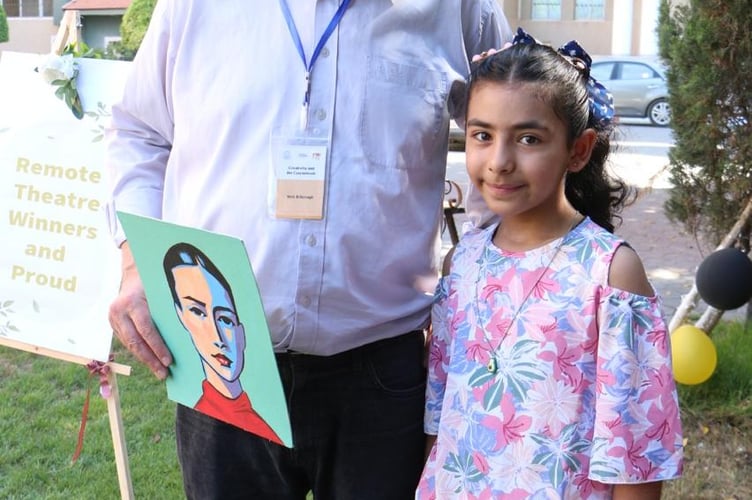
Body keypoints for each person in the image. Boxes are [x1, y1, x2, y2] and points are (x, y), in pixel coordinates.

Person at [104, 0, 512, 498]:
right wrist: (135, 262)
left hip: (384, 370)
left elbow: (513, 116)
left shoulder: (458, 6)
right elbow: (139, 134)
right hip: (223, 367)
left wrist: (483, 270)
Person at [418, 29, 683, 499]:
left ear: (577, 150)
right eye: (482, 135)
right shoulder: (462, 262)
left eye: (528, 138)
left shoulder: (610, 274)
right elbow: (439, 415)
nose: (499, 161)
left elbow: (635, 454)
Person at [163, 242, 282, 444]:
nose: (218, 338)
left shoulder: (266, 421)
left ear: (242, 332)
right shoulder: (201, 410)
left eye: (225, 320)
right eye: (198, 312)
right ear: (180, 315)